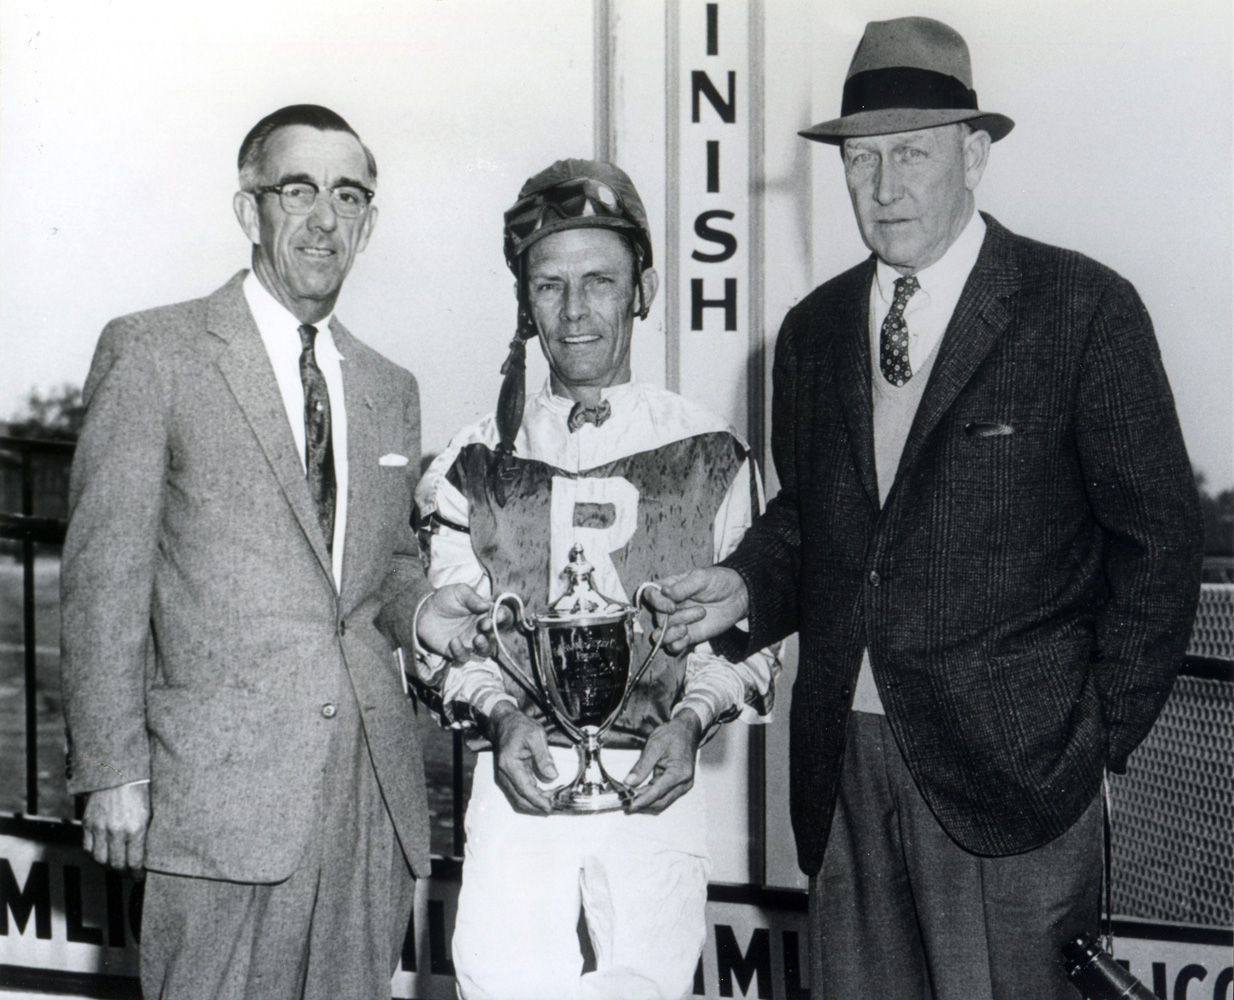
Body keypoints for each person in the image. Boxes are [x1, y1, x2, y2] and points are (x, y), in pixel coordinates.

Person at [648, 18, 1205, 1000]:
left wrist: (1091, 744)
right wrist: (739, 584)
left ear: (974, 154)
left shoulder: (1079, 310)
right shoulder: (813, 333)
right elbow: (813, 529)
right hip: (844, 771)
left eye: (911, 152)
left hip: (1015, 785)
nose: (884, 185)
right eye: (861, 159)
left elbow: (1160, 545)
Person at [60, 104, 491, 1000]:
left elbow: (380, 575)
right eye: (298, 190)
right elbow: (105, 578)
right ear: (247, 208)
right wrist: (111, 771)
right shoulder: (156, 352)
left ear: (369, 222)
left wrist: (424, 610)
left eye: (349, 195)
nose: (324, 218)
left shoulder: (389, 387)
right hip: (216, 800)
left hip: (368, 793)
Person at [411, 158, 777, 1000]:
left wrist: (690, 720)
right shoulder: (477, 459)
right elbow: (446, 634)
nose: (574, 312)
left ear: (642, 289)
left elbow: (754, 637)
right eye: (550, 286)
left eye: (600, 282)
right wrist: (500, 716)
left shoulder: (711, 450)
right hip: (519, 784)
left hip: (654, 787)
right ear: (524, 299)